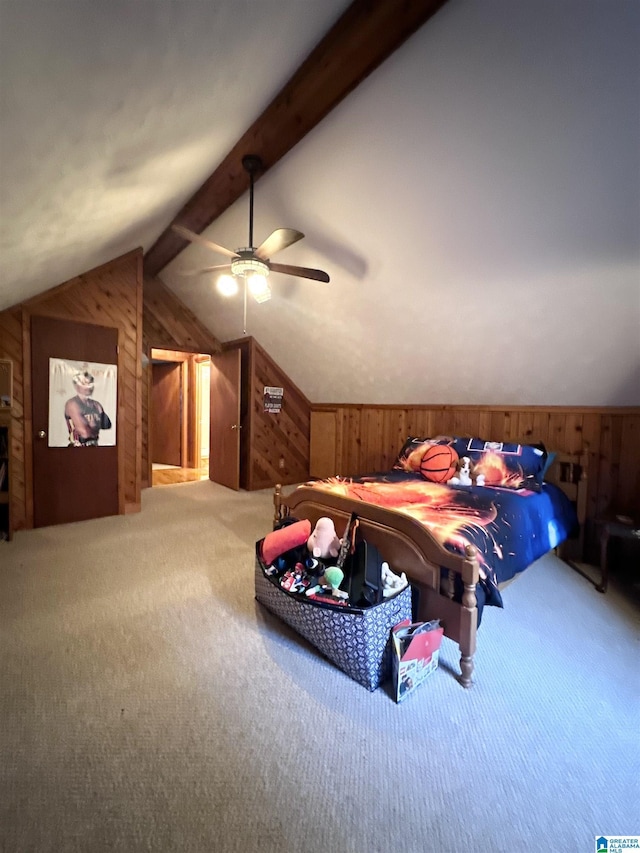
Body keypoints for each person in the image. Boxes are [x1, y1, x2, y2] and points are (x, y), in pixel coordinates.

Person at [64, 371, 112, 447]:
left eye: (90, 383)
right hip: (78, 446)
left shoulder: (96, 404)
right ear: (77, 386)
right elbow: (85, 433)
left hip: (94, 445)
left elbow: (107, 425)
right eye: (84, 383)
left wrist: (92, 424)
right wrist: (96, 424)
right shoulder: (72, 404)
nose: (88, 387)